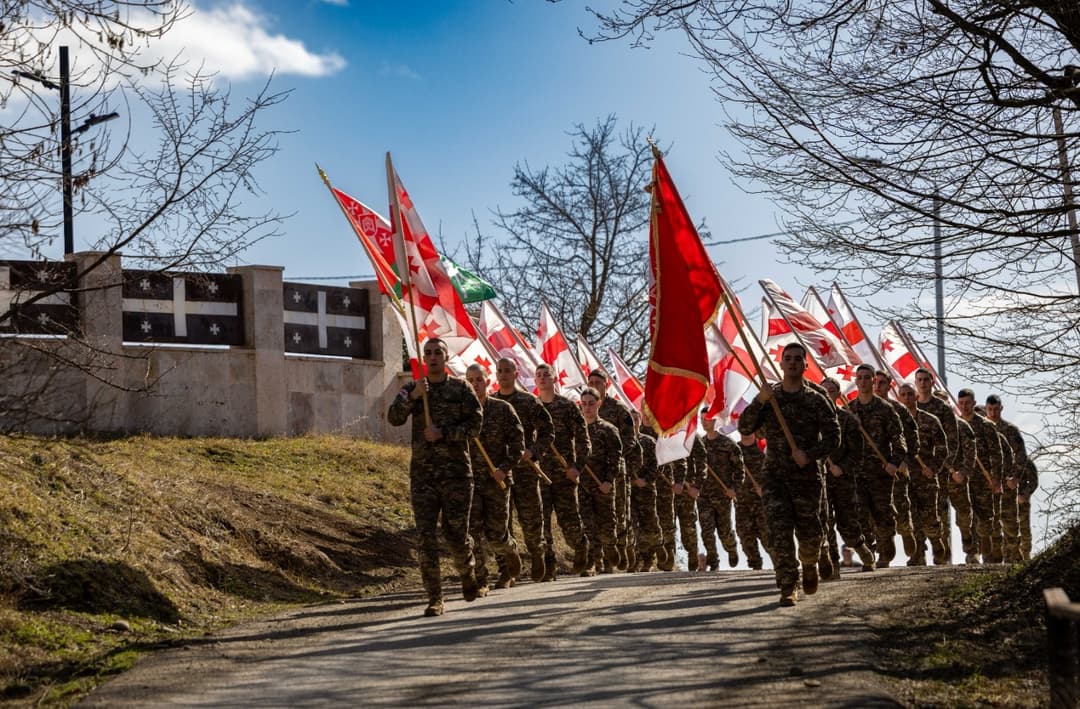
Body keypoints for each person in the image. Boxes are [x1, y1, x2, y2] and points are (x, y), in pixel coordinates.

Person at [738, 342, 839, 607]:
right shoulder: (770, 399)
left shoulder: (815, 399)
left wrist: (810, 454)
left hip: (806, 478)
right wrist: (759, 401)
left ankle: (809, 563)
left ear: (805, 365)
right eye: (788, 359)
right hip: (775, 477)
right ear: (781, 364)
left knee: (810, 535)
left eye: (798, 359)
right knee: (778, 533)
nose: (793, 362)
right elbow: (745, 427)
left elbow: (833, 436)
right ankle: (787, 585)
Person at [387, 338, 483, 617]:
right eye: (427, 353)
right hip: (423, 476)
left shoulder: (461, 389)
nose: (432, 357)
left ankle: (467, 571)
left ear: (446, 356)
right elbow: (393, 417)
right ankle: (435, 598)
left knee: (455, 536)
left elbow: (476, 426)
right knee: (425, 537)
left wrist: (444, 433)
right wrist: (415, 397)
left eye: (437, 353)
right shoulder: (412, 389)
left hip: (456, 475)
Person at [464, 364, 525, 596]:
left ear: (488, 382)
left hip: (496, 480)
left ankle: (510, 551)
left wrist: (504, 467)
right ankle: (481, 579)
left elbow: (518, 445)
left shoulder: (503, 409)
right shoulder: (461, 413)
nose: (474, 384)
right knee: (472, 532)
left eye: (479, 379)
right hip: (469, 483)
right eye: (470, 380)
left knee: (497, 534)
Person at [492, 357, 553, 585]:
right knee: (501, 521)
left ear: (516, 373)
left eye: (508, 370)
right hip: (501, 470)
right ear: (496, 374)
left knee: (530, 519)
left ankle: (537, 553)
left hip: (526, 470)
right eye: (500, 371)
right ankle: (507, 569)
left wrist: (533, 451)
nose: (504, 374)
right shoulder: (491, 403)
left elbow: (548, 432)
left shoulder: (529, 402)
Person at [535, 362, 591, 579]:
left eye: (546, 374)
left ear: (554, 378)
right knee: (542, 520)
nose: (541, 378)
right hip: (540, 472)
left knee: (568, 521)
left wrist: (577, 466)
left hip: (563, 472)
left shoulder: (567, 407)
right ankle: (549, 564)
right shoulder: (533, 406)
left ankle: (580, 544)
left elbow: (583, 440)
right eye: (538, 375)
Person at [848, 364, 906, 568]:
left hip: (881, 471)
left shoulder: (885, 409)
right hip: (857, 471)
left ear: (873, 381)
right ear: (856, 381)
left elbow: (898, 439)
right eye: (860, 378)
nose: (863, 381)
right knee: (860, 513)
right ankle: (869, 555)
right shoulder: (849, 409)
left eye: (867, 378)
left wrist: (894, 462)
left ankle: (886, 545)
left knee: (882, 513)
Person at [820, 377, 876, 574]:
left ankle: (862, 549)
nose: (826, 394)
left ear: (838, 394)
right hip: (819, 480)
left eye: (831, 391)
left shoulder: (847, 420)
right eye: (822, 391)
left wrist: (842, 468)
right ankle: (833, 563)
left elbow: (857, 453)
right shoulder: (811, 420)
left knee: (848, 524)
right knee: (824, 522)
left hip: (843, 479)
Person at [588, 369, 640, 570]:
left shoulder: (618, 409)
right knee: (592, 514)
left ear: (606, 384)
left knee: (617, 513)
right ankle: (598, 560)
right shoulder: (585, 406)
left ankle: (622, 547)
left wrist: (613, 455)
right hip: (591, 471)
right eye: (590, 381)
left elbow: (630, 439)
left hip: (615, 470)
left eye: (598, 382)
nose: (594, 385)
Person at [897, 382, 947, 565]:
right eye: (903, 395)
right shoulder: (897, 422)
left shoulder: (931, 420)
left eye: (910, 394)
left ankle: (937, 541)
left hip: (925, 476)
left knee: (929, 517)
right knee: (912, 516)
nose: (907, 398)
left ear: (916, 397)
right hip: (906, 476)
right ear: (899, 398)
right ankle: (918, 555)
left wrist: (933, 467)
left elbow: (942, 449)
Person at [915, 369, 961, 562]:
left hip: (938, 469)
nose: (923, 383)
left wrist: (942, 467)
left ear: (932, 382)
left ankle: (941, 553)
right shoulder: (911, 407)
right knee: (915, 509)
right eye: (920, 380)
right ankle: (918, 553)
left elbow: (952, 441)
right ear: (916, 383)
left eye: (926, 380)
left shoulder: (942, 409)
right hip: (916, 468)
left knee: (938, 511)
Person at [873, 370, 920, 558]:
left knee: (900, 507)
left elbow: (913, 440)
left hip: (895, 469)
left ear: (889, 385)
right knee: (877, 509)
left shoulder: (898, 410)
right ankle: (885, 546)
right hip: (872, 469)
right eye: (875, 382)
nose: (877, 386)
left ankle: (906, 532)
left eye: (882, 383)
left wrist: (904, 462)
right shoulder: (859, 408)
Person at [957, 389, 1005, 564]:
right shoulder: (955, 425)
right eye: (961, 403)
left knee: (985, 518)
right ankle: (971, 552)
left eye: (967, 403)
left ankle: (986, 550)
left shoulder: (986, 426)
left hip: (982, 479)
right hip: (962, 478)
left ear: (974, 403)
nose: (964, 406)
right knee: (964, 518)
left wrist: (996, 478)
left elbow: (996, 454)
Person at [578, 387, 622, 575]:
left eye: (591, 404)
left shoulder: (608, 429)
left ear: (599, 404)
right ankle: (592, 563)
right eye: (584, 404)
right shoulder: (576, 429)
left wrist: (609, 481)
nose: (587, 408)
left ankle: (610, 550)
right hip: (582, 484)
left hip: (602, 484)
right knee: (587, 525)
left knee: (606, 526)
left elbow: (616, 458)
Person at [985, 394, 1027, 563]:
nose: (993, 413)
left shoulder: (1010, 430)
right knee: (990, 525)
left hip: (1007, 483)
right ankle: (993, 562)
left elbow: (1021, 455)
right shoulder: (982, 429)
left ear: (1001, 408)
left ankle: (1015, 560)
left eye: (996, 409)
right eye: (990, 409)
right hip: (988, 484)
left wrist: (1015, 477)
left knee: (1010, 523)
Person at [700, 410, 742, 570]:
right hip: (704, 495)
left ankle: (731, 548)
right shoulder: (700, 445)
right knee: (707, 531)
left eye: (708, 419)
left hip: (723, 495)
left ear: (715, 421)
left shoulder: (728, 444)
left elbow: (739, 469)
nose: (704, 422)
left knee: (724, 531)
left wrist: (734, 489)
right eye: (702, 419)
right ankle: (714, 561)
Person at [629, 410, 665, 571]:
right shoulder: (623, 442)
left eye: (636, 419)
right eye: (630, 419)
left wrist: (646, 480)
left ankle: (656, 547)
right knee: (632, 524)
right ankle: (638, 559)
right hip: (629, 490)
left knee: (649, 523)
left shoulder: (649, 441)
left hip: (646, 490)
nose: (634, 422)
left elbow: (658, 464)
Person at [736, 429, 772, 571]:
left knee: (768, 537)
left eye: (749, 429)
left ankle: (782, 566)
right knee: (745, 537)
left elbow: (775, 474)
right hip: (742, 502)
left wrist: (766, 489)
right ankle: (756, 567)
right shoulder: (734, 451)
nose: (745, 432)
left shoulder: (764, 450)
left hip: (762, 502)